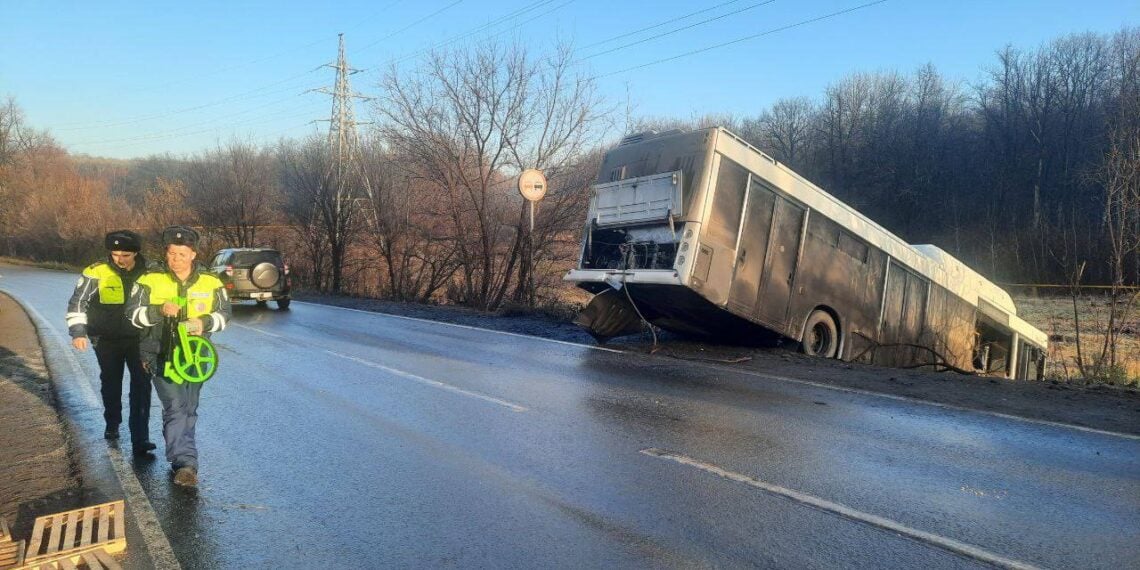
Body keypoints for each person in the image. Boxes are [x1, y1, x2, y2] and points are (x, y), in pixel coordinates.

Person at [127, 225, 231, 487]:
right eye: (172, 253)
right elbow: (131, 313)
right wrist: (157, 310)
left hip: (195, 361)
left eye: (182, 254)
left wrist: (204, 323)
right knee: (175, 407)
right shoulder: (149, 279)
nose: (176, 259)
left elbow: (224, 315)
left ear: (193, 254)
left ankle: (182, 456)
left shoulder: (211, 282)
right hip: (159, 355)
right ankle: (185, 464)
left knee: (189, 408)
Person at [66, 230, 156, 456]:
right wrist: (78, 332)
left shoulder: (152, 271)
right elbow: (78, 303)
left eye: (125, 254)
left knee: (142, 386)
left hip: (140, 339)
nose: (120, 259)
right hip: (106, 340)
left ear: (136, 253)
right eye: (115, 254)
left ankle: (140, 437)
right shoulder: (96, 272)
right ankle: (113, 423)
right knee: (111, 383)